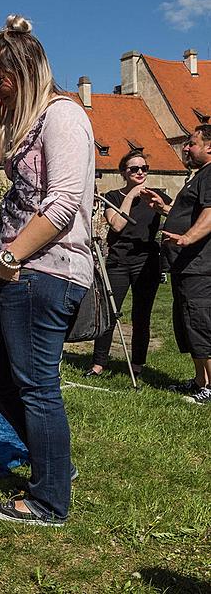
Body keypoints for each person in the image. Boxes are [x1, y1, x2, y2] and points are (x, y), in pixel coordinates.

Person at [0, 15, 94, 527]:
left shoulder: (63, 116)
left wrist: (9, 257)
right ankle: (53, 465)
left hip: (44, 269)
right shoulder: (29, 122)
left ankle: (48, 499)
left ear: (25, 71)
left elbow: (63, 204)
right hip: (18, 269)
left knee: (36, 384)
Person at [84, 151, 170, 378]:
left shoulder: (158, 196)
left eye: (144, 168)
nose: (140, 172)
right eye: (134, 169)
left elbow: (177, 217)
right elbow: (117, 225)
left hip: (147, 262)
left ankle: (138, 365)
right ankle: (98, 364)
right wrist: (131, 196)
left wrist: (162, 207)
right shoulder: (113, 196)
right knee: (110, 313)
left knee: (141, 316)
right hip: (119, 262)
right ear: (124, 172)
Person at [142, 125, 211, 403]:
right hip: (186, 267)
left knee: (201, 324)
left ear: (209, 147)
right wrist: (165, 209)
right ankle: (199, 381)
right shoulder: (199, 177)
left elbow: (209, 213)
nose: (185, 148)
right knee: (188, 325)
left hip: (200, 267)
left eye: (191, 143)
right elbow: (191, 212)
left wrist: (186, 238)